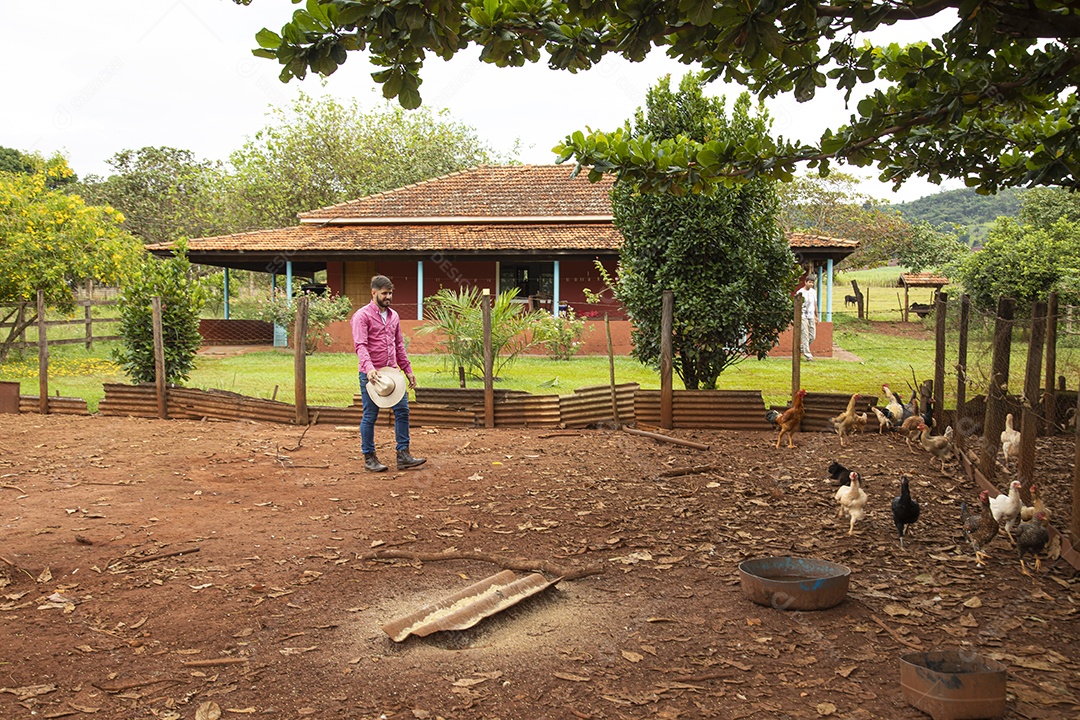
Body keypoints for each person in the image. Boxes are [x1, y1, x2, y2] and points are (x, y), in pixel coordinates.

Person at [351, 275, 426, 472]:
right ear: (373, 293)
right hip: (372, 375)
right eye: (384, 293)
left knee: (403, 411)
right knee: (370, 415)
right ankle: (369, 457)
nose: (388, 297)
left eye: (390, 293)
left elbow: (399, 345)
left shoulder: (393, 316)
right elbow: (360, 345)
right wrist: (369, 369)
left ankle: (403, 454)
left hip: (392, 375)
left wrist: (407, 370)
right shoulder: (362, 316)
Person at [796, 276, 818, 361]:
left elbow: (815, 304)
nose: (811, 284)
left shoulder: (813, 292)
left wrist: (817, 316)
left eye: (812, 282)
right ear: (805, 282)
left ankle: (800, 349)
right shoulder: (800, 292)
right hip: (802, 316)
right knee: (805, 335)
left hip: (811, 315)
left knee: (812, 336)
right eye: (809, 282)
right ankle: (808, 356)